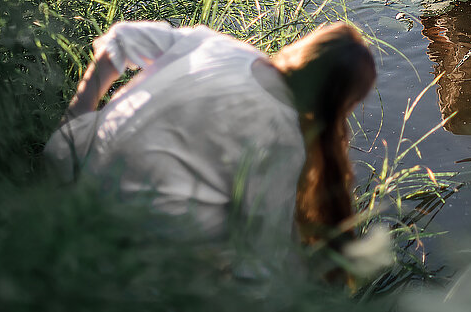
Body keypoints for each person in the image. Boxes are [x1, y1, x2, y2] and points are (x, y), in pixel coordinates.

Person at [45, 20, 376, 262]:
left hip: (69, 162)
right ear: (337, 107)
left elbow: (119, 38)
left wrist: (74, 120)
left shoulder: (220, 45)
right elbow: (262, 257)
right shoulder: (283, 138)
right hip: (128, 239)